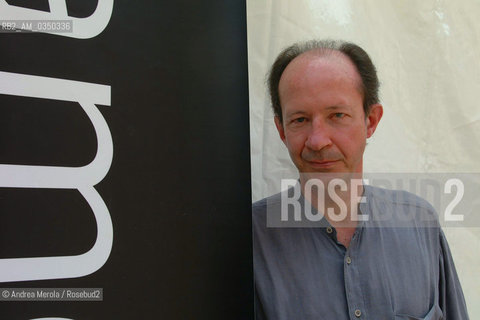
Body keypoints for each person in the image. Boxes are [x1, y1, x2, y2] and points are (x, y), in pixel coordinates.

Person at [252, 40, 469, 320]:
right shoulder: (249, 240)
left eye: (337, 115)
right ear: (281, 129)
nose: (318, 140)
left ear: (371, 120)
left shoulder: (420, 224)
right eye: (300, 119)